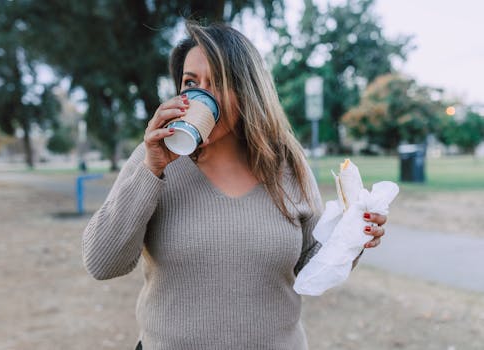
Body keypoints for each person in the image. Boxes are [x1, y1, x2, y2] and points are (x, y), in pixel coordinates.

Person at [82, 21, 387, 350]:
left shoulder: (287, 161)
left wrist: (354, 234)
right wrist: (152, 170)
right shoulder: (152, 159)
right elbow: (102, 263)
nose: (199, 95)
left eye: (216, 83)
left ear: (247, 90)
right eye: (190, 82)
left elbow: (312, 263)